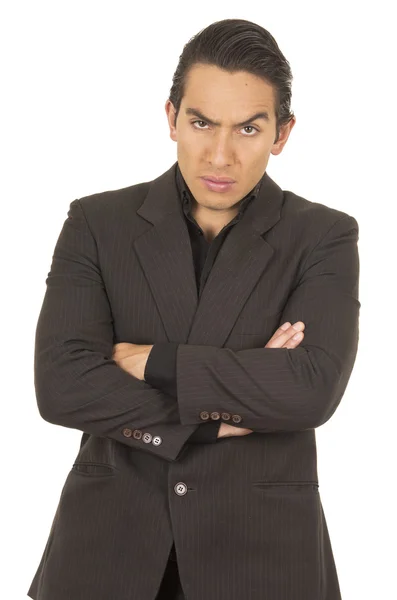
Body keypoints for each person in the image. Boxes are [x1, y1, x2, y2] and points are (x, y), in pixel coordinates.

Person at [27, 18, 360, 600]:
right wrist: (224, 414)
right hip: (107, 554)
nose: (220, 154)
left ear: (282, 133)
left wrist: (153, 360)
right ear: (171, 119)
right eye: (201, 122)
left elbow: (310, 388)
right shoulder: (96, 224)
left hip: (262, 559)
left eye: (249, 129)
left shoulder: (323, 236)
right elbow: (61, 386)